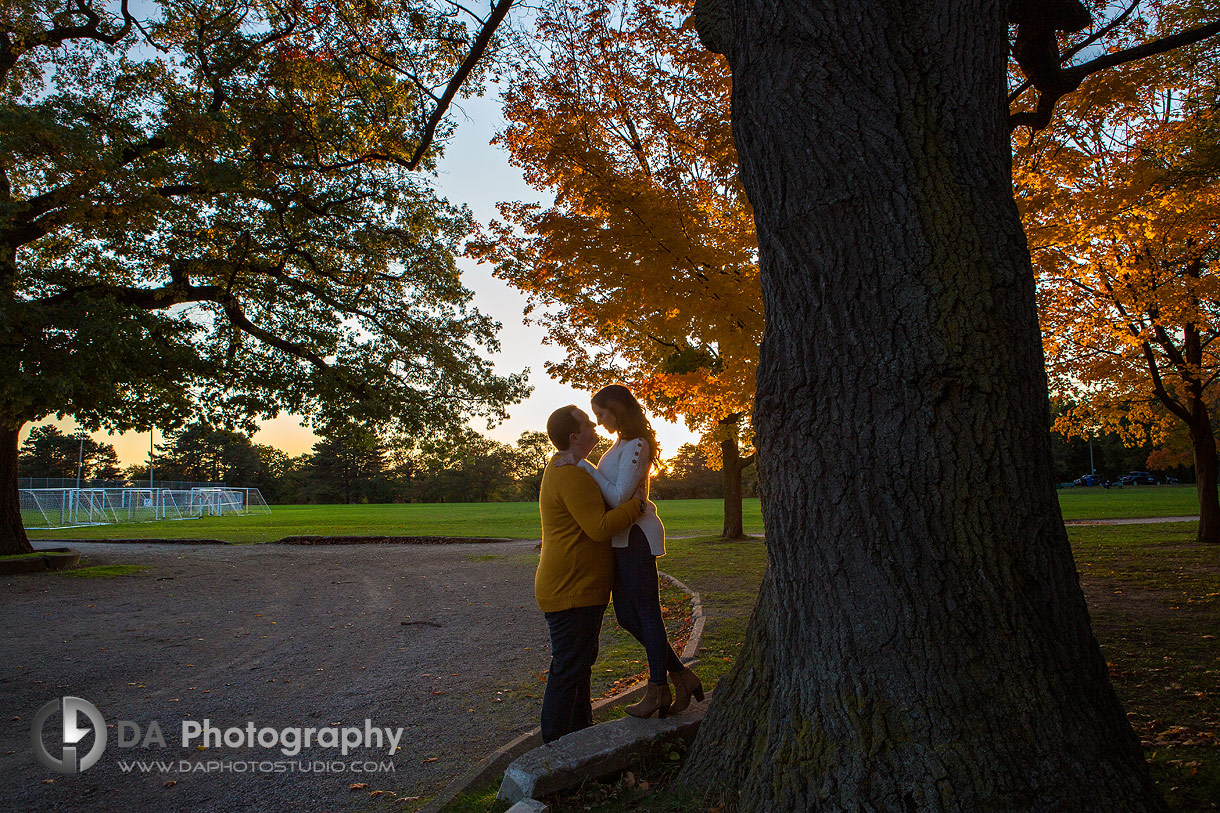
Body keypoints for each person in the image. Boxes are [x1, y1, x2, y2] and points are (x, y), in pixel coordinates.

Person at [579, 384, 704, 718]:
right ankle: (681, 673)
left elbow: (620, 497)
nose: (599, 420)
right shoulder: (618, 444)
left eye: (601, 413)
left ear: (618, 409)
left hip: (636, 536)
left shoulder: (638, 445)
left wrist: (584, 465)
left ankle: (657, 688)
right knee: (625, 615)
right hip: (619, 538)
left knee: (647, 612)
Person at [536, 404, 645, 743]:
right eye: (587, 423)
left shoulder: (574, 468)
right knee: (569, 669)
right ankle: (554, 748)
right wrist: (637, 505)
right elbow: (599, 528)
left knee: (578, 666)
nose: (595, 426)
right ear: (574, 436)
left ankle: (579, 737)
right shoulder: (570, 474)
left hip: (575, 587)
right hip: (571, 587)